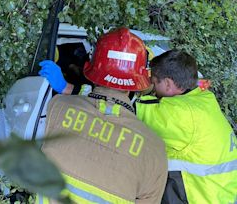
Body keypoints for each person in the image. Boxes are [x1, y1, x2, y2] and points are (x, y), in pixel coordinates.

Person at [37, 28, 168, 203]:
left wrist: (65, 89)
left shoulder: (57, 107)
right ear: (139, 82)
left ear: (92, 67)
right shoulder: (155, 150)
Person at [135, 50, 237, 204]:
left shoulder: (181, 113)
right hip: (221, 195)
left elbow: (129, 109)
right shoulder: (204, 97)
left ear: (168, 84)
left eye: (155, 83)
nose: (154, 89)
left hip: (200, 198)